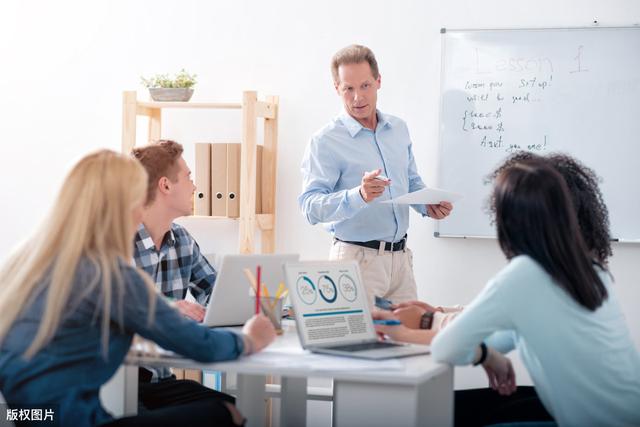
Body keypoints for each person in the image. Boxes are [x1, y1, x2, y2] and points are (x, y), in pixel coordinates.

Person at [0, 150, 276, 427]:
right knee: (226, 414)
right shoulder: (108, 274)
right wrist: (250, 340)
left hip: (25, 418)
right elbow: (198, 345)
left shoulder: (26, 262)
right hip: (78, 421)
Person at [381, 159, 640, 426]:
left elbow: (448, 348)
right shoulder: (589, 269)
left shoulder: (525, 274)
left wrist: (399, 331)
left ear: (509, 220)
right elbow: (500, 338)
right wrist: (435, 318)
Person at [380, 152, 615, 345]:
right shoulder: (590, 272)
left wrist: (420, 323)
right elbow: (502, 325)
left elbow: (462, 344)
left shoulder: (529, 273)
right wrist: (438, 312)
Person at [298, 44, 452, 305]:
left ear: (378, 82)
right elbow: (310, 207)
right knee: (354, 344)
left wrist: (428, 204)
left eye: (365, 85)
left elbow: (410, 182)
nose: (358, 97)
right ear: (337, 88)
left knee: (408, 341)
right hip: (355, 262)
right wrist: (358, 195)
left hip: (400, 262)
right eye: (348, 88)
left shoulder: (398, 129)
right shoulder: (325, 141)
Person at [130, 140, 236, 414]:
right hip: (116, 382)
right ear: (165, 185)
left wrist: (267, 306)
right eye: (188, 177)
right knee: (218, 415)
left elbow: (215, 292)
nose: (195, 187)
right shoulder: (117, 242)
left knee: (231, 407)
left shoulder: (182, 241)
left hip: (160, 381)